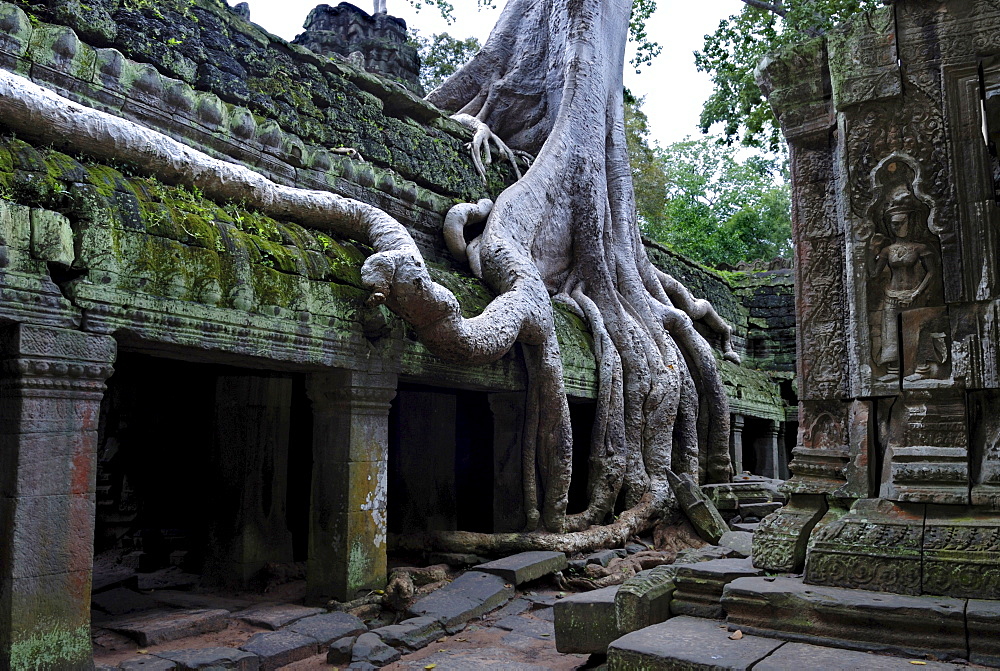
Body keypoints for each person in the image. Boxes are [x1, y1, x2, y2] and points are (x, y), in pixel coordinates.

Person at [869, 183, 938, 381]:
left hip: (914, 294)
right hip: (892, 295)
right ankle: (893, 371)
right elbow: (873, 273)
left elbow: (932, 272)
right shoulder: (887, 250)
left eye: (901, 222)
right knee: (890, 333)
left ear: (910, 221)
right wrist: (869, 252)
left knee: (917, 331)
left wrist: (917, 293)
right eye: (893, 224)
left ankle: (921, 369)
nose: (897, 227)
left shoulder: (919, 248)